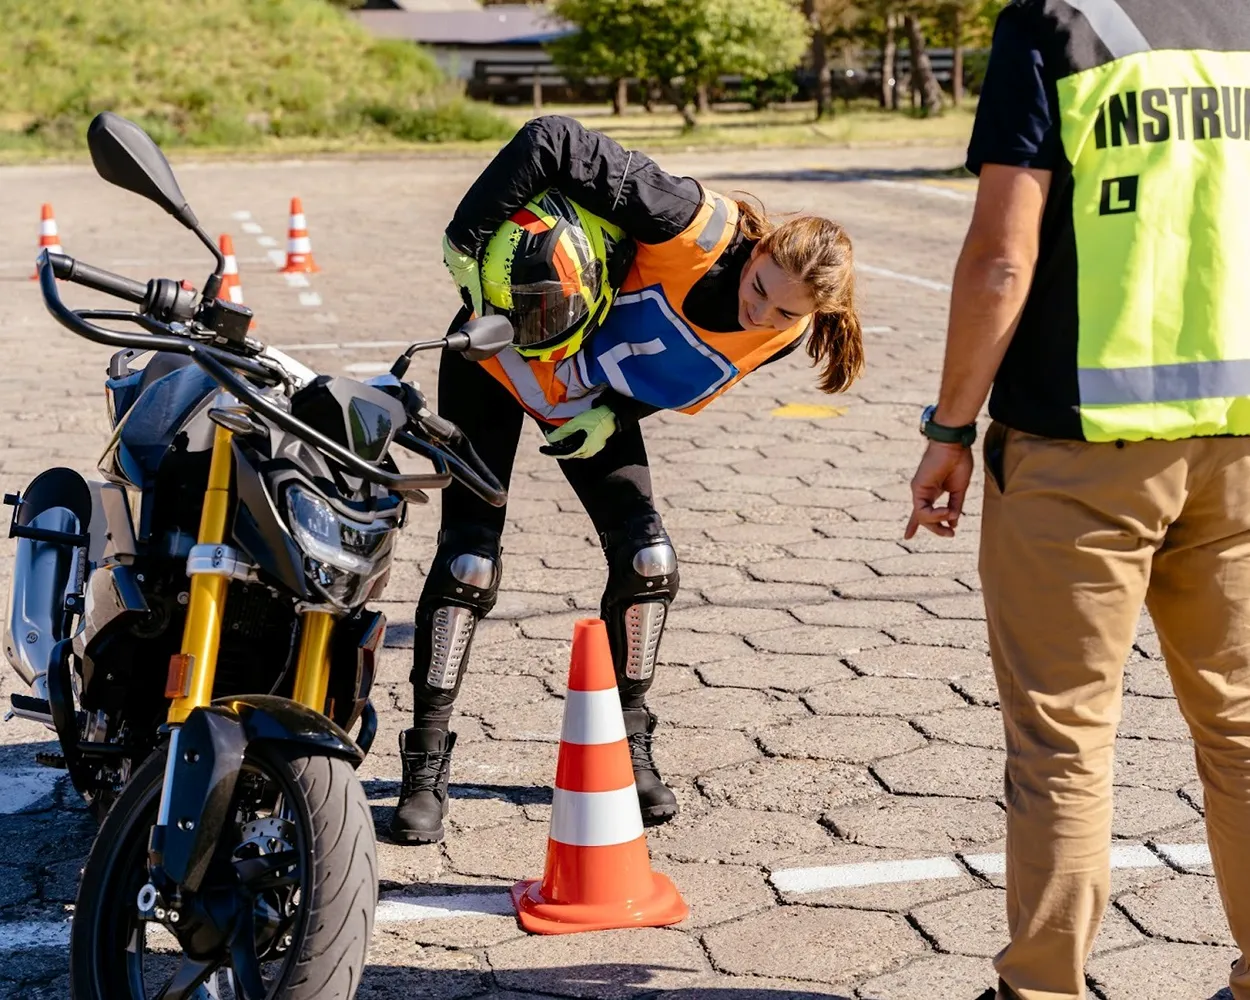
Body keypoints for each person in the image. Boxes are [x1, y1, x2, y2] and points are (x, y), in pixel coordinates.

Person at [390, 114, 865, 844]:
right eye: (763, 285)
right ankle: (425, 764)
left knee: (649, 562)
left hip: (582, 397)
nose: (761, 309)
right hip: (497, 351)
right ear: (760, 248)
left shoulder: (781, 332)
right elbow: (550, 139)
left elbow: (666, 365)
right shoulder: (687, 221)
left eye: (785, 308)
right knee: (468, 561)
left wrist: (610, 414)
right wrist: (467, 237)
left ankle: (627, 746)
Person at [905, 2, 1250, 998]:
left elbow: (999, 258)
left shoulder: (1056, 23)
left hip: (1076, 441)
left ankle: (1043, 988)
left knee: (1061, 737)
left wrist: (947, 430)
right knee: (1237, 727)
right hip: (1237, 439)